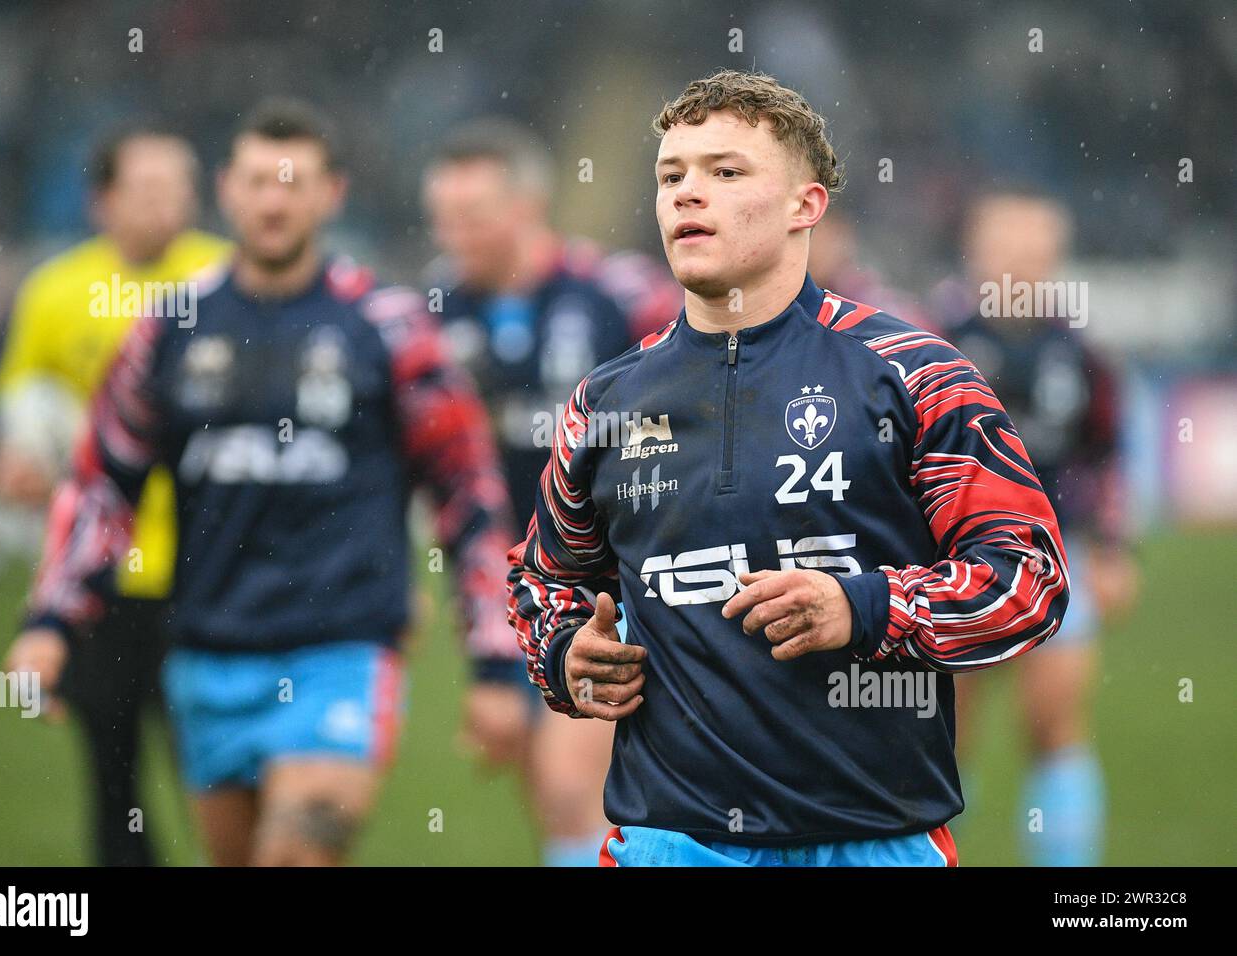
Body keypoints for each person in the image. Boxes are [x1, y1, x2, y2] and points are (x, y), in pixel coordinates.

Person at [507, 69, 1070, 867]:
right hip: (672, 841)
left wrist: (867, 607)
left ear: (806, 206)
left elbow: (1030, 580)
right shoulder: (604, 403)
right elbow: (542, 582)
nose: (686, 195)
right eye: (672, 176)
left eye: (726, 172)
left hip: (877, 839)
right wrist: (567, 654)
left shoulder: (911, 374)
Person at [4, 99, 519, 866]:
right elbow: (105, 484)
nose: (274, 200)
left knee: (295, 856)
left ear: (331, 193)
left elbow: (469, 493)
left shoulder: (389, 325)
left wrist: (496, 656)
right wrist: (51, 619)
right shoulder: (171, 327)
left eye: (294, 182)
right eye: (257, 181)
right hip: (208, 656)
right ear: (227, 189)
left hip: (341, 652)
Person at [423, 118, 678, 865]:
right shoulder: (432, 317)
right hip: (506, 583)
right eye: (443, 217)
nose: (453, 233)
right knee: (552, 796)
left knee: (577, 792)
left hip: (609, 580)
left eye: (472, 216)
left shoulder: (621, 298)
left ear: (527, 206)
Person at [0, 124, 229, 866]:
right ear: (101, 200)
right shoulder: (54, 292)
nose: (164, 206)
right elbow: (19, 408)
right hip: (102, 574)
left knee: (223, 776)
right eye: (145, 189)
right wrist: (15, 464)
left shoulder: (225, 280)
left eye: (177, 188)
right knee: (113, 776)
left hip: (213, 568)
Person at [948, 184, 1137, 866]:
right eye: (1006, 246)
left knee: (1055, 727)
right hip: (953, 569)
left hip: (1056, 566)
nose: (1019, 263)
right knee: (944, 740)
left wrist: (1114, 549)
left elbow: (1110, 454)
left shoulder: (1083, 354)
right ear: (975, 252)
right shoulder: (931, 344)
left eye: (1035, 248)